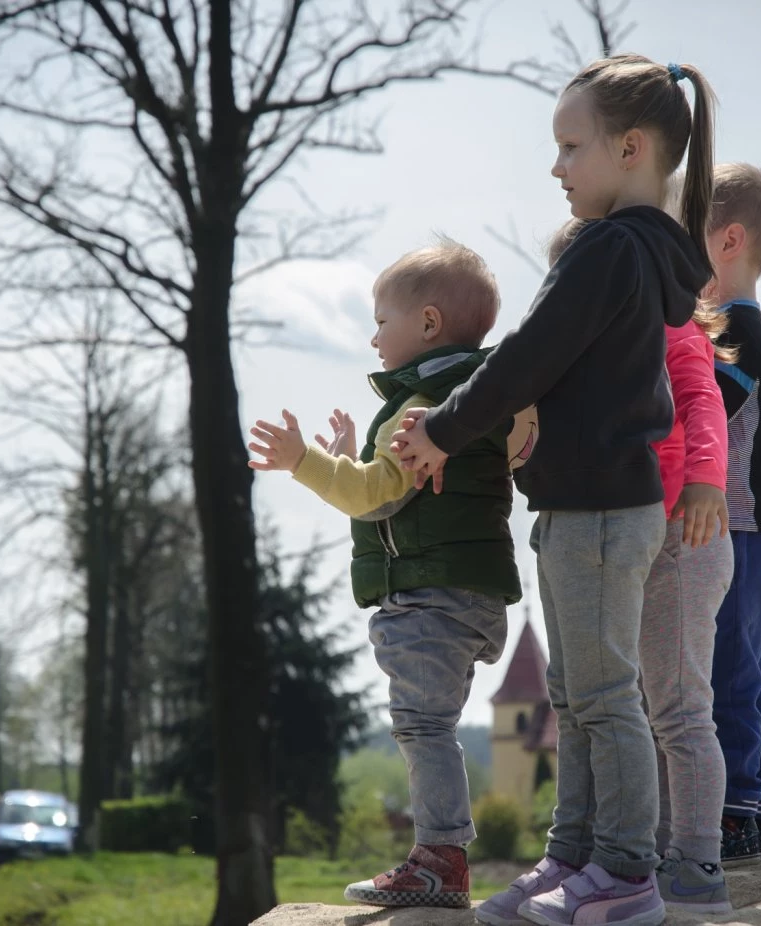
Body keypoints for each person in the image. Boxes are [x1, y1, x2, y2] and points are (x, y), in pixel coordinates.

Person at [394, 53, 716, 926]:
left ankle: (626, 872)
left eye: (572, 146)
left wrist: (442, 428)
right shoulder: (641, 252)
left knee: (604, 699)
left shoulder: (610, 249)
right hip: (584, 506)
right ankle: (571, 856)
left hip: (602, 513)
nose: (556, 166)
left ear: (631, 148)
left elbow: (526, 355)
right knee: (572, 700)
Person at [247, 238, 524, 908]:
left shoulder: (420, 406)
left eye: (380, 321)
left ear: (427, 323)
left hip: (430, 597)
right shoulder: (479, 395)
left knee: (422, 726)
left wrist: (308, 461)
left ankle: (440, 861)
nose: (372, 338)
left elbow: (375, 496)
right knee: (434, 724)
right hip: (472, 592)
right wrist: (355, 455)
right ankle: (443, 855)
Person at [548, 215, 735, 914]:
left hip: (687, 533)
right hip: (632, 536)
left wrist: (706, 479)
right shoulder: (592, 349)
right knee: (638, 705)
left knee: (680, 707)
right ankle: (649, 854)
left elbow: (702, 399)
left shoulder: (670, 329)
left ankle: (699, 859)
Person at [700, 162, 761, 867]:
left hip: (744, 525)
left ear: (728, 240)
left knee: (731, 667)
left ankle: (738, 809)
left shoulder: (736, 329)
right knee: (749, 667)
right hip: (750, 526)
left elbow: (708, 412)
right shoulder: (737, 326)